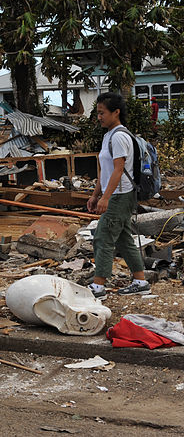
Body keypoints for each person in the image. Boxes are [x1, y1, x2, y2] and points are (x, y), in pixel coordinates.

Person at [87, 92, 150, 297]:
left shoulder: (121, 136)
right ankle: (140, 281)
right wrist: (96, 194)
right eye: (97, 113)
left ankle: (99, 286)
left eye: (102, 113)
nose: (99, 117)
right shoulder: (108, 135)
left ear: (116, 112)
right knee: (123, 238)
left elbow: (118, 169)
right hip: (114, 193)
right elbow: (103, 170)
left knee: (103, 237)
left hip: (121, 195)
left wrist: (106, 198)